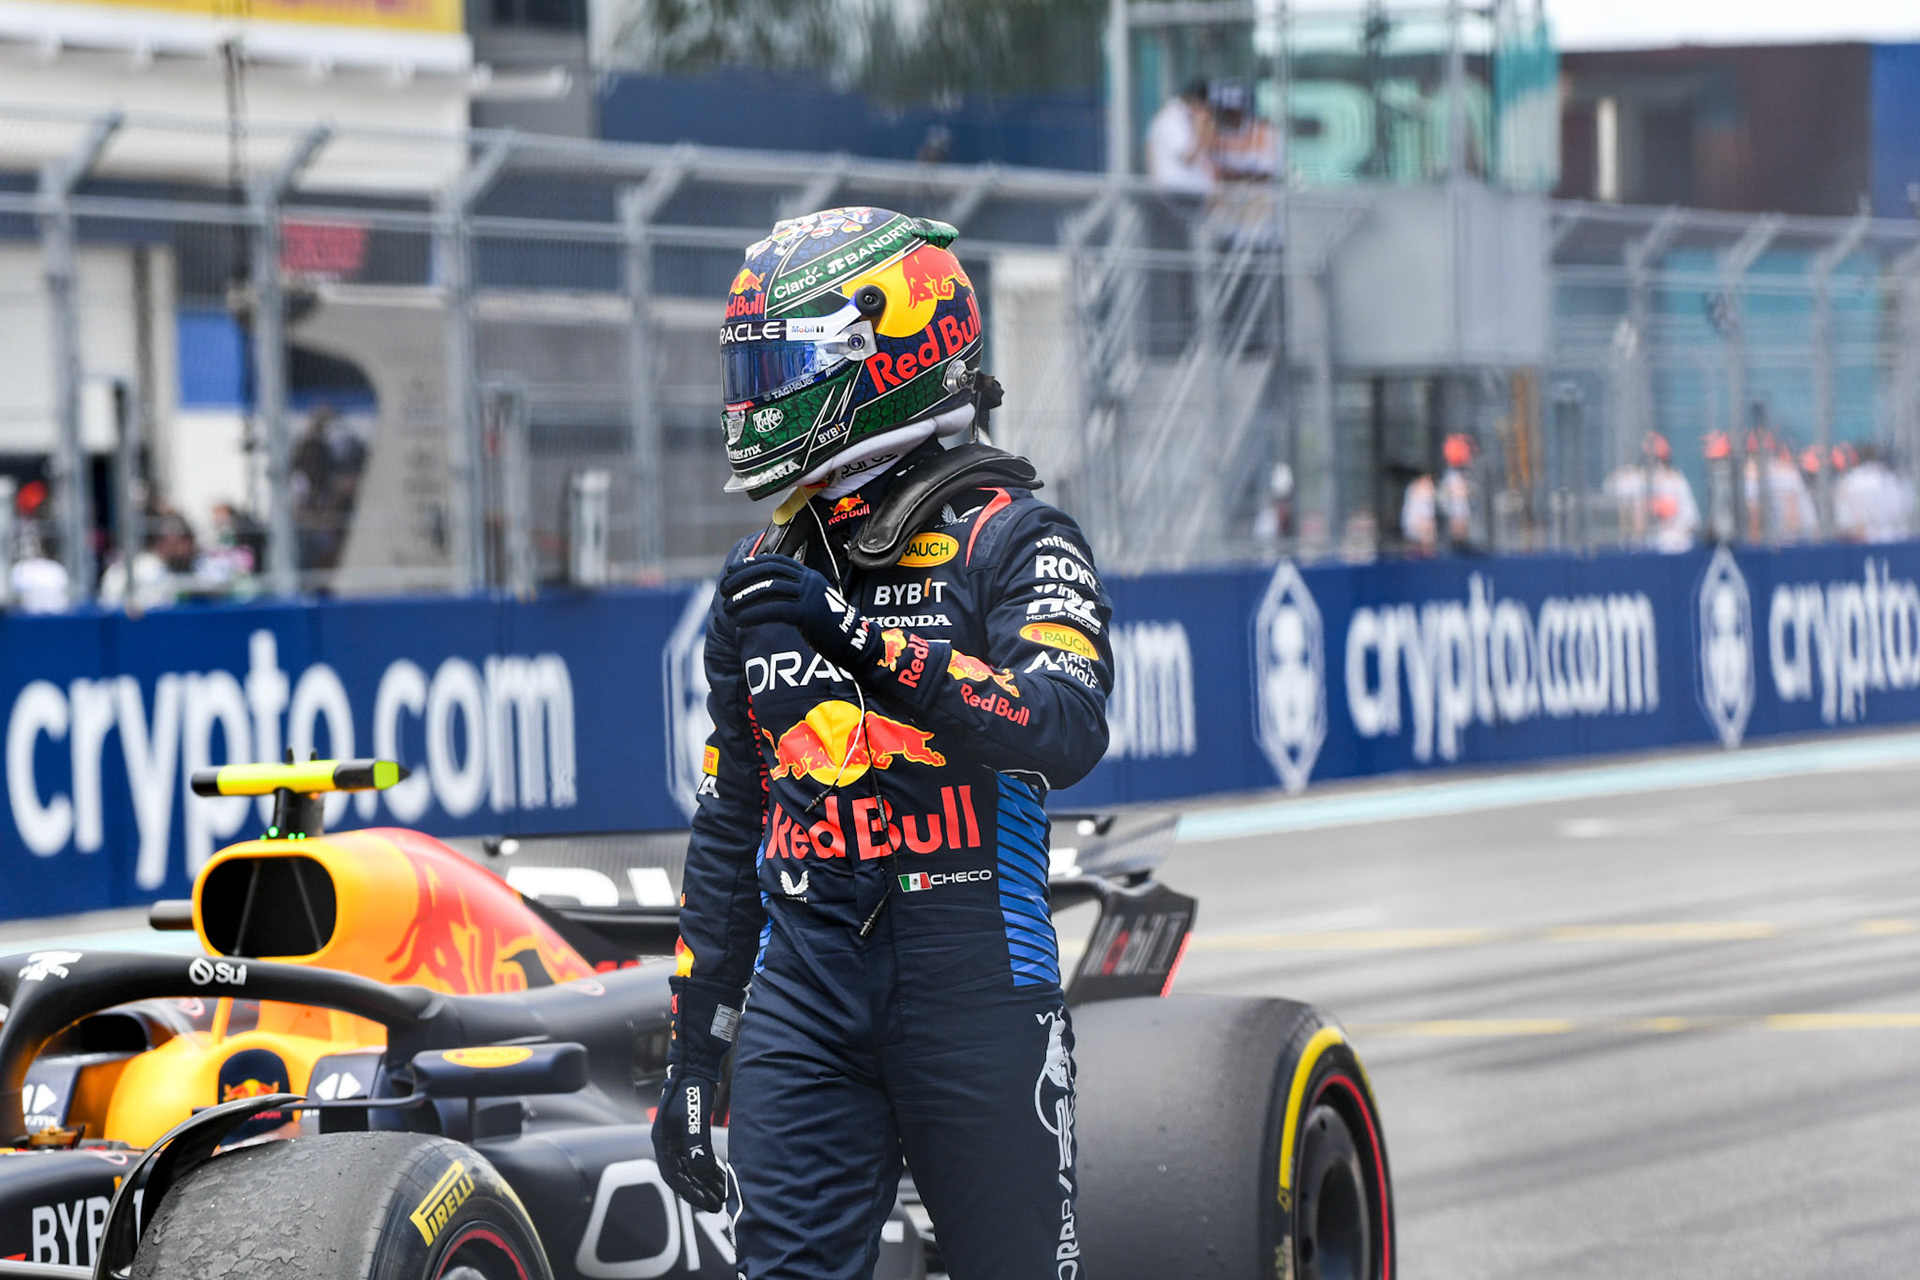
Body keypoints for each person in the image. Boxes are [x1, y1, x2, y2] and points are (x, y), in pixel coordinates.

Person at [654, 207, 1114, 1280]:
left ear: (887, 354)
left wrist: (862, 642)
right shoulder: (762, 573)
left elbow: (1066, 723)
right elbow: (730, 822)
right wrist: (693, 1052)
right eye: (751, 366)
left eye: (782, 365)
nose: (757, 395)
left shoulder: (1015, 535)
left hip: (978, 980)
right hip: (805, 990)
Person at [1145, 77, 1214, 195]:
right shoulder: (1171, 118)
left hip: (1189, 192)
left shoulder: (1184, 116)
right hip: (1179, 192)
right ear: (1197, 101)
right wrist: (1201, 131)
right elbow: (1187, 157)